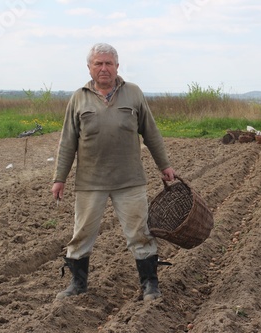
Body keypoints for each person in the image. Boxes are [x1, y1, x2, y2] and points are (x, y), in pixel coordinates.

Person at [51, 42, 175, 301]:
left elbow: (151, 133)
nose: (104, 68)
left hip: (129, 180)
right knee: (82, 234)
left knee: (140, 233)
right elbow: (67, 142)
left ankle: (150, 284)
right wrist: (59, 179)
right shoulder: (78, 98)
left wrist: (164, 165)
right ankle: (78, 284)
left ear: (117, 66)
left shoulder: (134, 93)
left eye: (109, 63)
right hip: (90, 182)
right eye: (98, 63)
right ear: (89, 68)